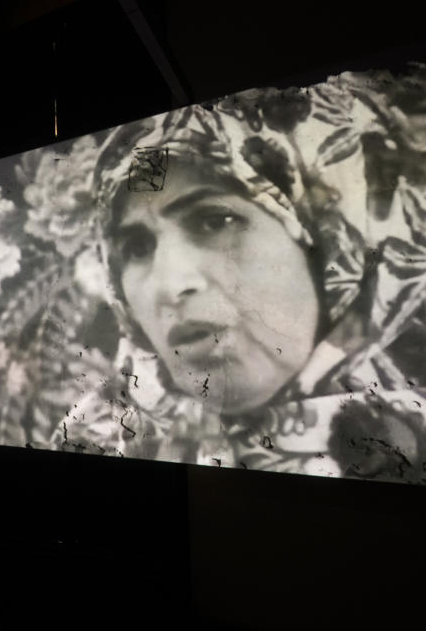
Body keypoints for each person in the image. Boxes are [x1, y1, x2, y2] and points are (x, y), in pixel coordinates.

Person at [55, 65, 426, 482]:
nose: (170, 285)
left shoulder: (409, 443)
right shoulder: (95, 438)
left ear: (331, 244)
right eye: (137, 248)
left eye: (216, 221)